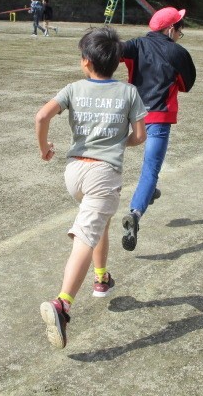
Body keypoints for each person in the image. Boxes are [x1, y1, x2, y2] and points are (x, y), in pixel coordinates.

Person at [35, 27, 147, 349]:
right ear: (117, 62)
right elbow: (140, 136)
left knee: (100, 223)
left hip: (74, 172)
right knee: (86, 234)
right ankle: (62, 305)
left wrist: (44, 149)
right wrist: (118, 142)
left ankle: (101, 278)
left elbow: (42, 116)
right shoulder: (129, 92)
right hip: (103, 174)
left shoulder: (73, 88)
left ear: (86, 61)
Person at [119, 6, 196, 252]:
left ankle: (147, 192)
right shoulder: (178, 53)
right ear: (171, 29)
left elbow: (109, 52)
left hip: (134, 114)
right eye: (180, 29)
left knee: (118, 155)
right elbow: (186, 85)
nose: (180, 33)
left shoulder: (135, 45)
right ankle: (136, 212)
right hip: (160, 117)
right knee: (150, 169)